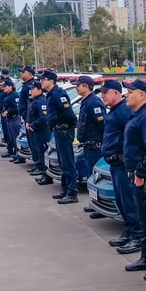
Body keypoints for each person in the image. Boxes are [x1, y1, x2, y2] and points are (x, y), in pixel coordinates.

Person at [120, 79, 146, 273]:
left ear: (143, 95)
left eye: (130, 91)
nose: (126, 94)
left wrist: (141, 171)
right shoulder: (137, 114)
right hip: (134, 174)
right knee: (143, 218)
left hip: (142, 177)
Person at [90, 79, 137, 228]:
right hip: (113, 163)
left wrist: (121, 156)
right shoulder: (114, 110)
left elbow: (130, 138)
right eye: (101, 93)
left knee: (128, 202)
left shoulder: (124, 111)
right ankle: (129, 231)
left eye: (105, 93)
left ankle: (136, 234)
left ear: (116, 93)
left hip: (121, 163)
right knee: (120, 201)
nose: (102, 96)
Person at [41, 69, 80, 204]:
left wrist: (67, 125)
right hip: (58, 130)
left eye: (43, 79)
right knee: (62, 163)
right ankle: (65, 189)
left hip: (64, 131)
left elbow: (68, 112)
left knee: (67, 162)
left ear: (51, 81)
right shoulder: (51, 94)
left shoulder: (58, 93)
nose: (41, 82)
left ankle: (72, 192)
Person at [74, 76, 105, 183]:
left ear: (86, 87)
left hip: (95, 147)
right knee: (90, 176)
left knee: (95, 177)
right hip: (88, 146)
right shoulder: (85, 101)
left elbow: (102, 124)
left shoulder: (93, 102)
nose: (76, 88)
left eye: (78, 86)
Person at [25, 82, 54, 186]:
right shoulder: (34, 100)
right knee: (37, 151)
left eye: (33, 89)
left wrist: (33, 125)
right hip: (35, 130)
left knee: (43, 152)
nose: (31, 91)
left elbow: (43, 118)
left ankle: (46, 175)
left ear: (39, 90)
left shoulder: (42, 101)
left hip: (42, 131)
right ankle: (42, 172)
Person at [0, 79, 23, 162]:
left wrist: (8, 111)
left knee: (15, 137)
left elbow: (16, 107)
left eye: (5, 87)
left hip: (14, 118)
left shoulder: (14, 95)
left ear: (10, 87)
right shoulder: (7, 95)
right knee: (10, 137)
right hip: (9, 118)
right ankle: (14, 153)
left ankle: (18, 154)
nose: (4, 88)